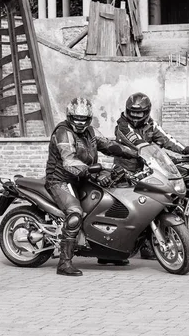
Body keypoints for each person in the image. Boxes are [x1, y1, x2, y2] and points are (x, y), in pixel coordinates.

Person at [45, 97, 138, 276]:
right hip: (61, 180)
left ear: (89, 119)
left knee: (110, 203)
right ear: (69, 116)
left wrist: (135, 153)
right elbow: (69, 161)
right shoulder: (63, 132)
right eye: (76, 118)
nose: (80, 122)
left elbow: (110, 145)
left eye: (83, 119)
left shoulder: (90, 132)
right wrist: (92, 172)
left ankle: (106, 251)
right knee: (74, 213)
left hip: (83, 177)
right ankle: (64, 263)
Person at [114, 92, 189, 260]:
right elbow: (137, 142)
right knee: (126, 209)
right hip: (124, 173)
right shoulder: (122, 125)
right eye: (132, 112)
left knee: (152, 205)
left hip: (146, 170)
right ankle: (116, 246)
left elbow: (167, 138)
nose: (135, 116)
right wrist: (152, 150)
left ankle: (148, 244)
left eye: (139, 113)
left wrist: (186, 149)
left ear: (147, 112)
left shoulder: (151, 125)